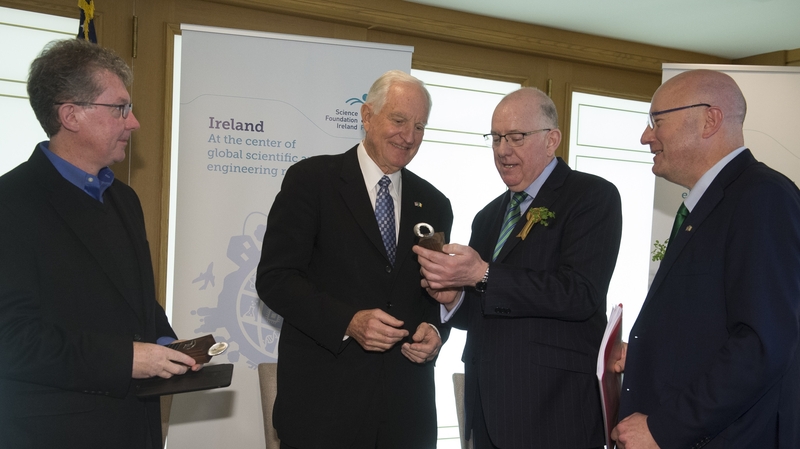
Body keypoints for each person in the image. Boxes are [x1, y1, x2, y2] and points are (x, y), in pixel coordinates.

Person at [0, 39, 200, 449]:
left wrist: (168, 345)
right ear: (71, 115)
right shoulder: (11, 202)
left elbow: (136, 301)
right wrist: (128, 359)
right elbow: (12, 339)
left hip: (135, 428)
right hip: (54, 433)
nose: (135, 123)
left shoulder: (124, 199)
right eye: (120, 108)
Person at [414, 87, 622, 449]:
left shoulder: (592, 197)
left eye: (516, 137)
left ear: (551, 139)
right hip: (488, 409)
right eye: (495, 138)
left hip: (555, 410)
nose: (502, 149)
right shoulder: (489, 215)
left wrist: (482, 274)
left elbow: (580, 294)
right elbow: (485, 307)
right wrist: (453, 300)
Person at [256, 70, 453, 449]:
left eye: (420, 126)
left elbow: (433, 291)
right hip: (324, 409)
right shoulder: (311, 181)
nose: (409, 137)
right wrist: (348, 321)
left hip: (405, 414)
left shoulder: (434, 203)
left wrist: (435, 330)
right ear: (366, 115)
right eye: (398, 120)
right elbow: (276, 278)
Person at [610, 69, 800, 449]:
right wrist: (647, 353)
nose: (646, 136)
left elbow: (762, 344)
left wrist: (664, 428)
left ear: (709, 120)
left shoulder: (762, 198)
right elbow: (709, 324)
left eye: (657, 121)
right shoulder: (715, 202)